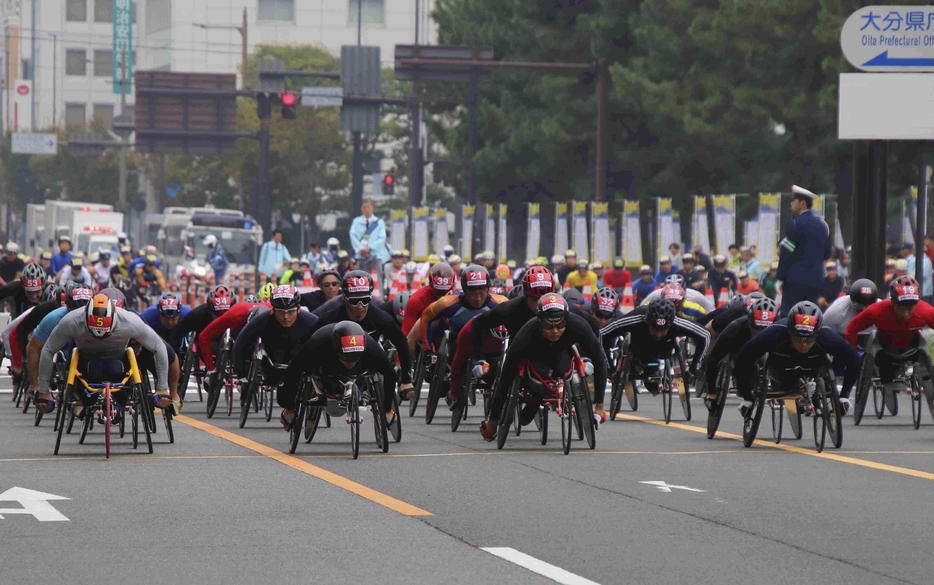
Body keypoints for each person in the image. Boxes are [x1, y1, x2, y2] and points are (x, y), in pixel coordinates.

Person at [480, 293, 608, 441]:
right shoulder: (527, 332)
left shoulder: (578, 324)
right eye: (549, 325)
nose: (554, 331)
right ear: (539, 321)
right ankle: (535, 399)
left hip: (562, 354)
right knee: (527, 379)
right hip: (535, 358)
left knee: (562, 371)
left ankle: (539, 397)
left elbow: (600, 361)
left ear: (566, 319)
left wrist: (600, 404)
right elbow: (505, 378)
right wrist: (493, 421)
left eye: (560, 325)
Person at [35, 293, 181, 417]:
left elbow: (159, 347)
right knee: (76, 364)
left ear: (114, 318)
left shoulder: (130, 321)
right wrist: (43, 391)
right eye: (94, 333)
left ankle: (118, 402)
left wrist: (163, 388)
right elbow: (48, 350)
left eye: (106, 334)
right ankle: (81, 398)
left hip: (120, 363)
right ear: (85, 318)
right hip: (85, 365)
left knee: (124, 390)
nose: (100, 338)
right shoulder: (71, 321)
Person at [733, 301, 858, 415]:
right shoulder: (775, 332)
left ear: (817, 333)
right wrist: (747, 397)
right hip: (781, 365)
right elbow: (743, 358)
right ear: (790, 331)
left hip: (814, 364)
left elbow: (854, 361)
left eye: (809, 339)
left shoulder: (827, 336)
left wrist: (844, 396)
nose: (803, 344)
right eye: (798, 338)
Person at [311, 270, 414, 398]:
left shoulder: (381, 317)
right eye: (354, 301)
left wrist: (406, 380)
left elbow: (402, 343)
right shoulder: (330, 314)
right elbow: (311, 339)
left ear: (371, 297)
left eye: (365, 300)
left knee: (389, 372)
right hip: (336, 360)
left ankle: (387, 410)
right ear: (344, 298)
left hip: (368, 356)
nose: (360, 307)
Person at [280, 321, 397, 430]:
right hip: (325, 365)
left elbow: (390, 374)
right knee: (303, 369)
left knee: (380, 368)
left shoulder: (371, 347)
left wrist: (387, 409)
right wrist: (290, 408)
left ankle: (362, 389)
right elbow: (292, 371)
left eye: (354, 360)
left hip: (362, 366)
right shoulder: (317, 342)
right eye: (347, 360)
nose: (350, 364)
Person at [233, 286, 318, 424]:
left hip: (300, 361)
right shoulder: (262, 320)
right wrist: (242, 376)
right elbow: (240, 346)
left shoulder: (311, 321)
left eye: (290, 312)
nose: (286, 317)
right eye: (280, 312)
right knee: (282, 398)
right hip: (273, 363)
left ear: (298, 308)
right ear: (272, 310)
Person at [845, 277, 934, 397]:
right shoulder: (876, 311)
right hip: (884, 351)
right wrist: (853, 355)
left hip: (912, 348)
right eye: (903, 306)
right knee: (885, 375)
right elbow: (851, 330)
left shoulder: (926, 311)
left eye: (911, 305)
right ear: (893, 302)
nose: (907, 312)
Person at [700, 297, 779, 410]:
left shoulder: (782, 323)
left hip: (768, 342)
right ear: (750, 322)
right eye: (757, 331)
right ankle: (712, 394)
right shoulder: (734, 325)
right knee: (714, 359)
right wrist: (711, 392)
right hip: (738, 341)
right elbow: (711, 352)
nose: (759, 335)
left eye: (765, 331)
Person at [25, 283, 94, 411]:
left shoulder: (102, 315)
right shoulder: (53, 318)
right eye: (74, 311)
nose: (79, 316)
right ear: (66, 306)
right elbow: (33, 349)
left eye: (85, 311)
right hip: (63, 348)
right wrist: (37, 387)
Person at [776, 185, 832, 316]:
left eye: (794, 200)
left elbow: (786, 253)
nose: (791, 203)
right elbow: (827, 253)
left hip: (794, 281)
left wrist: (780, 277)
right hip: (816, 280)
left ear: (802, 203)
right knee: (810, 316)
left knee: (789, 316)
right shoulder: (822, 225)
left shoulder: (794, 223)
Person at [402, 262, 456, 337]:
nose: (441, 298)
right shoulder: (416, 300)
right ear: (430, 283)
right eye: (438, 293)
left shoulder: (460, 297)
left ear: (453, 285)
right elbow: (407, 335)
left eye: (445, 293)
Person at [349, 199, 390, 272]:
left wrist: (370, 248)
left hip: (376, 255)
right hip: (360, 255)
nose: (366, 209)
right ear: (361, 209)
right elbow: (353, 236)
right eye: (364, 207)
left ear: (372, 208)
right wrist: (362, 249)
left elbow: (382, 238)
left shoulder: (379, 222)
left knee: (376, 279)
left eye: (368, 207)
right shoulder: (356, 221)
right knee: (361, 279)